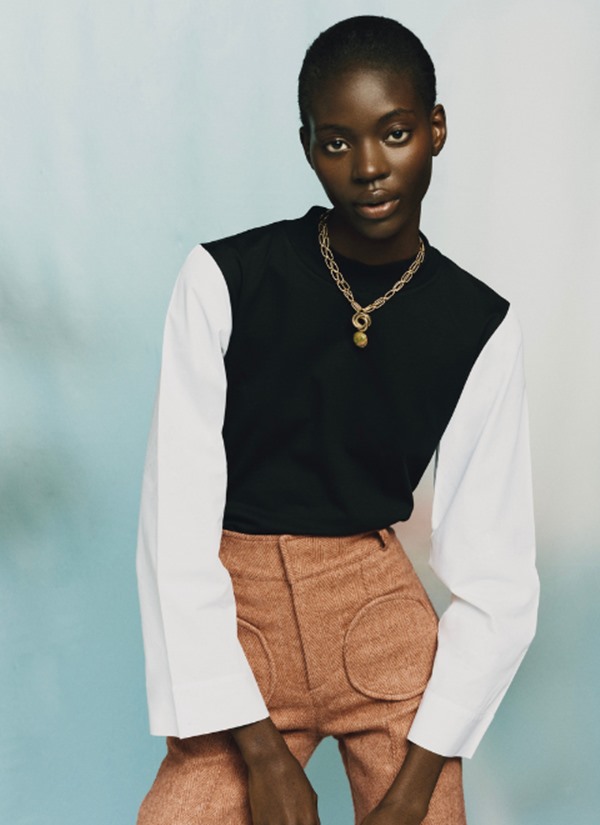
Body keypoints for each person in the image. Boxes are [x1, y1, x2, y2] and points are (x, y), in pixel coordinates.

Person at [135, 15, 539, 825]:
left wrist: (418, 787)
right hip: (239, 632)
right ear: (307, 145)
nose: (368, 169)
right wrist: (260, 753)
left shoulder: (477, 324)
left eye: (394, 133)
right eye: (335, 142)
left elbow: (496, 576)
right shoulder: (223, 281)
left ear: (435, 129)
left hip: (382, 628)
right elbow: (172, 531)